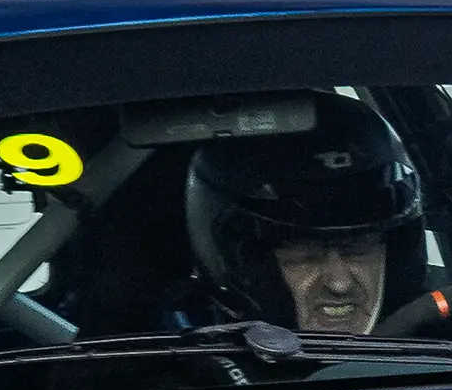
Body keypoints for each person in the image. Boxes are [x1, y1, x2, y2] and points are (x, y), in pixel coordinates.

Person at [157, 92, 427, 336]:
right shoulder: (178, 379)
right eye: (304, 254)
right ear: (238, 265)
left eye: (358, 248)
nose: (339, 284)